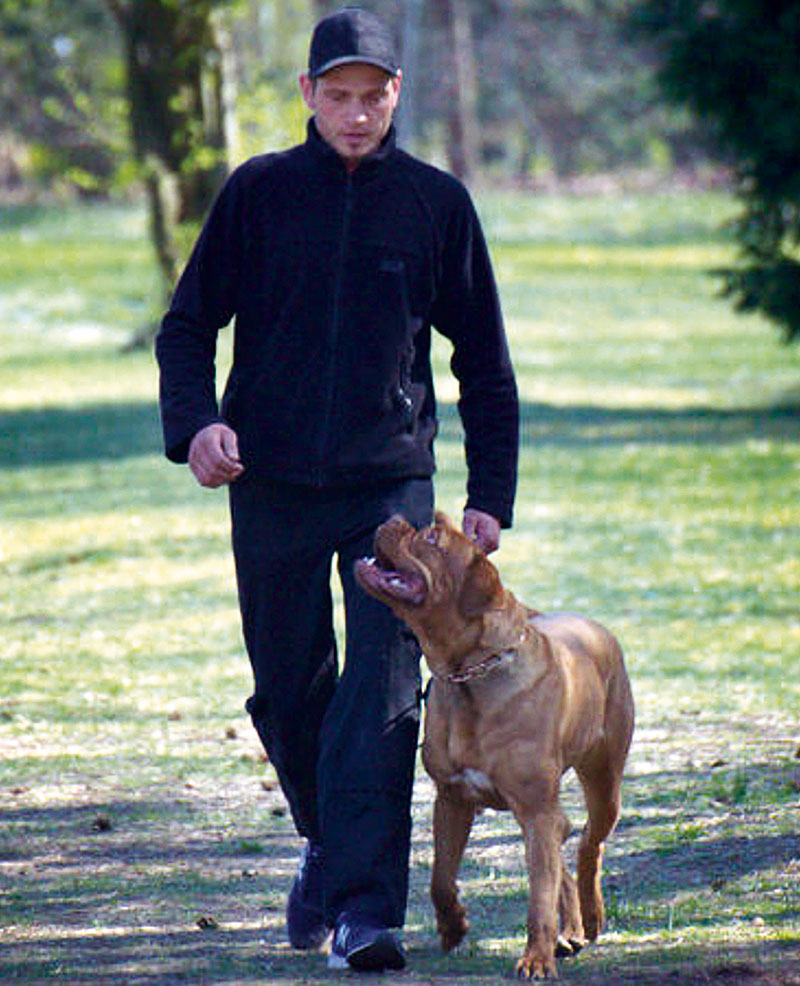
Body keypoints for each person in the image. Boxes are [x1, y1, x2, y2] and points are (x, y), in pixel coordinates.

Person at [155, 6, 518, 974]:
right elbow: (186, 328)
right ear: (309, 96)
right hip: (267, 476)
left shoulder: (436, 205)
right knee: (288, 685)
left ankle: (365, 910)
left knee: (383, 693)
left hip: (388, 488)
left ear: (395, 95)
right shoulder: (257, 195)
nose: (355, 115)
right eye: (338, 96)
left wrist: (489, 492)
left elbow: (480, 359)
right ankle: (326, 839)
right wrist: (197, 425)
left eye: (373, 97)